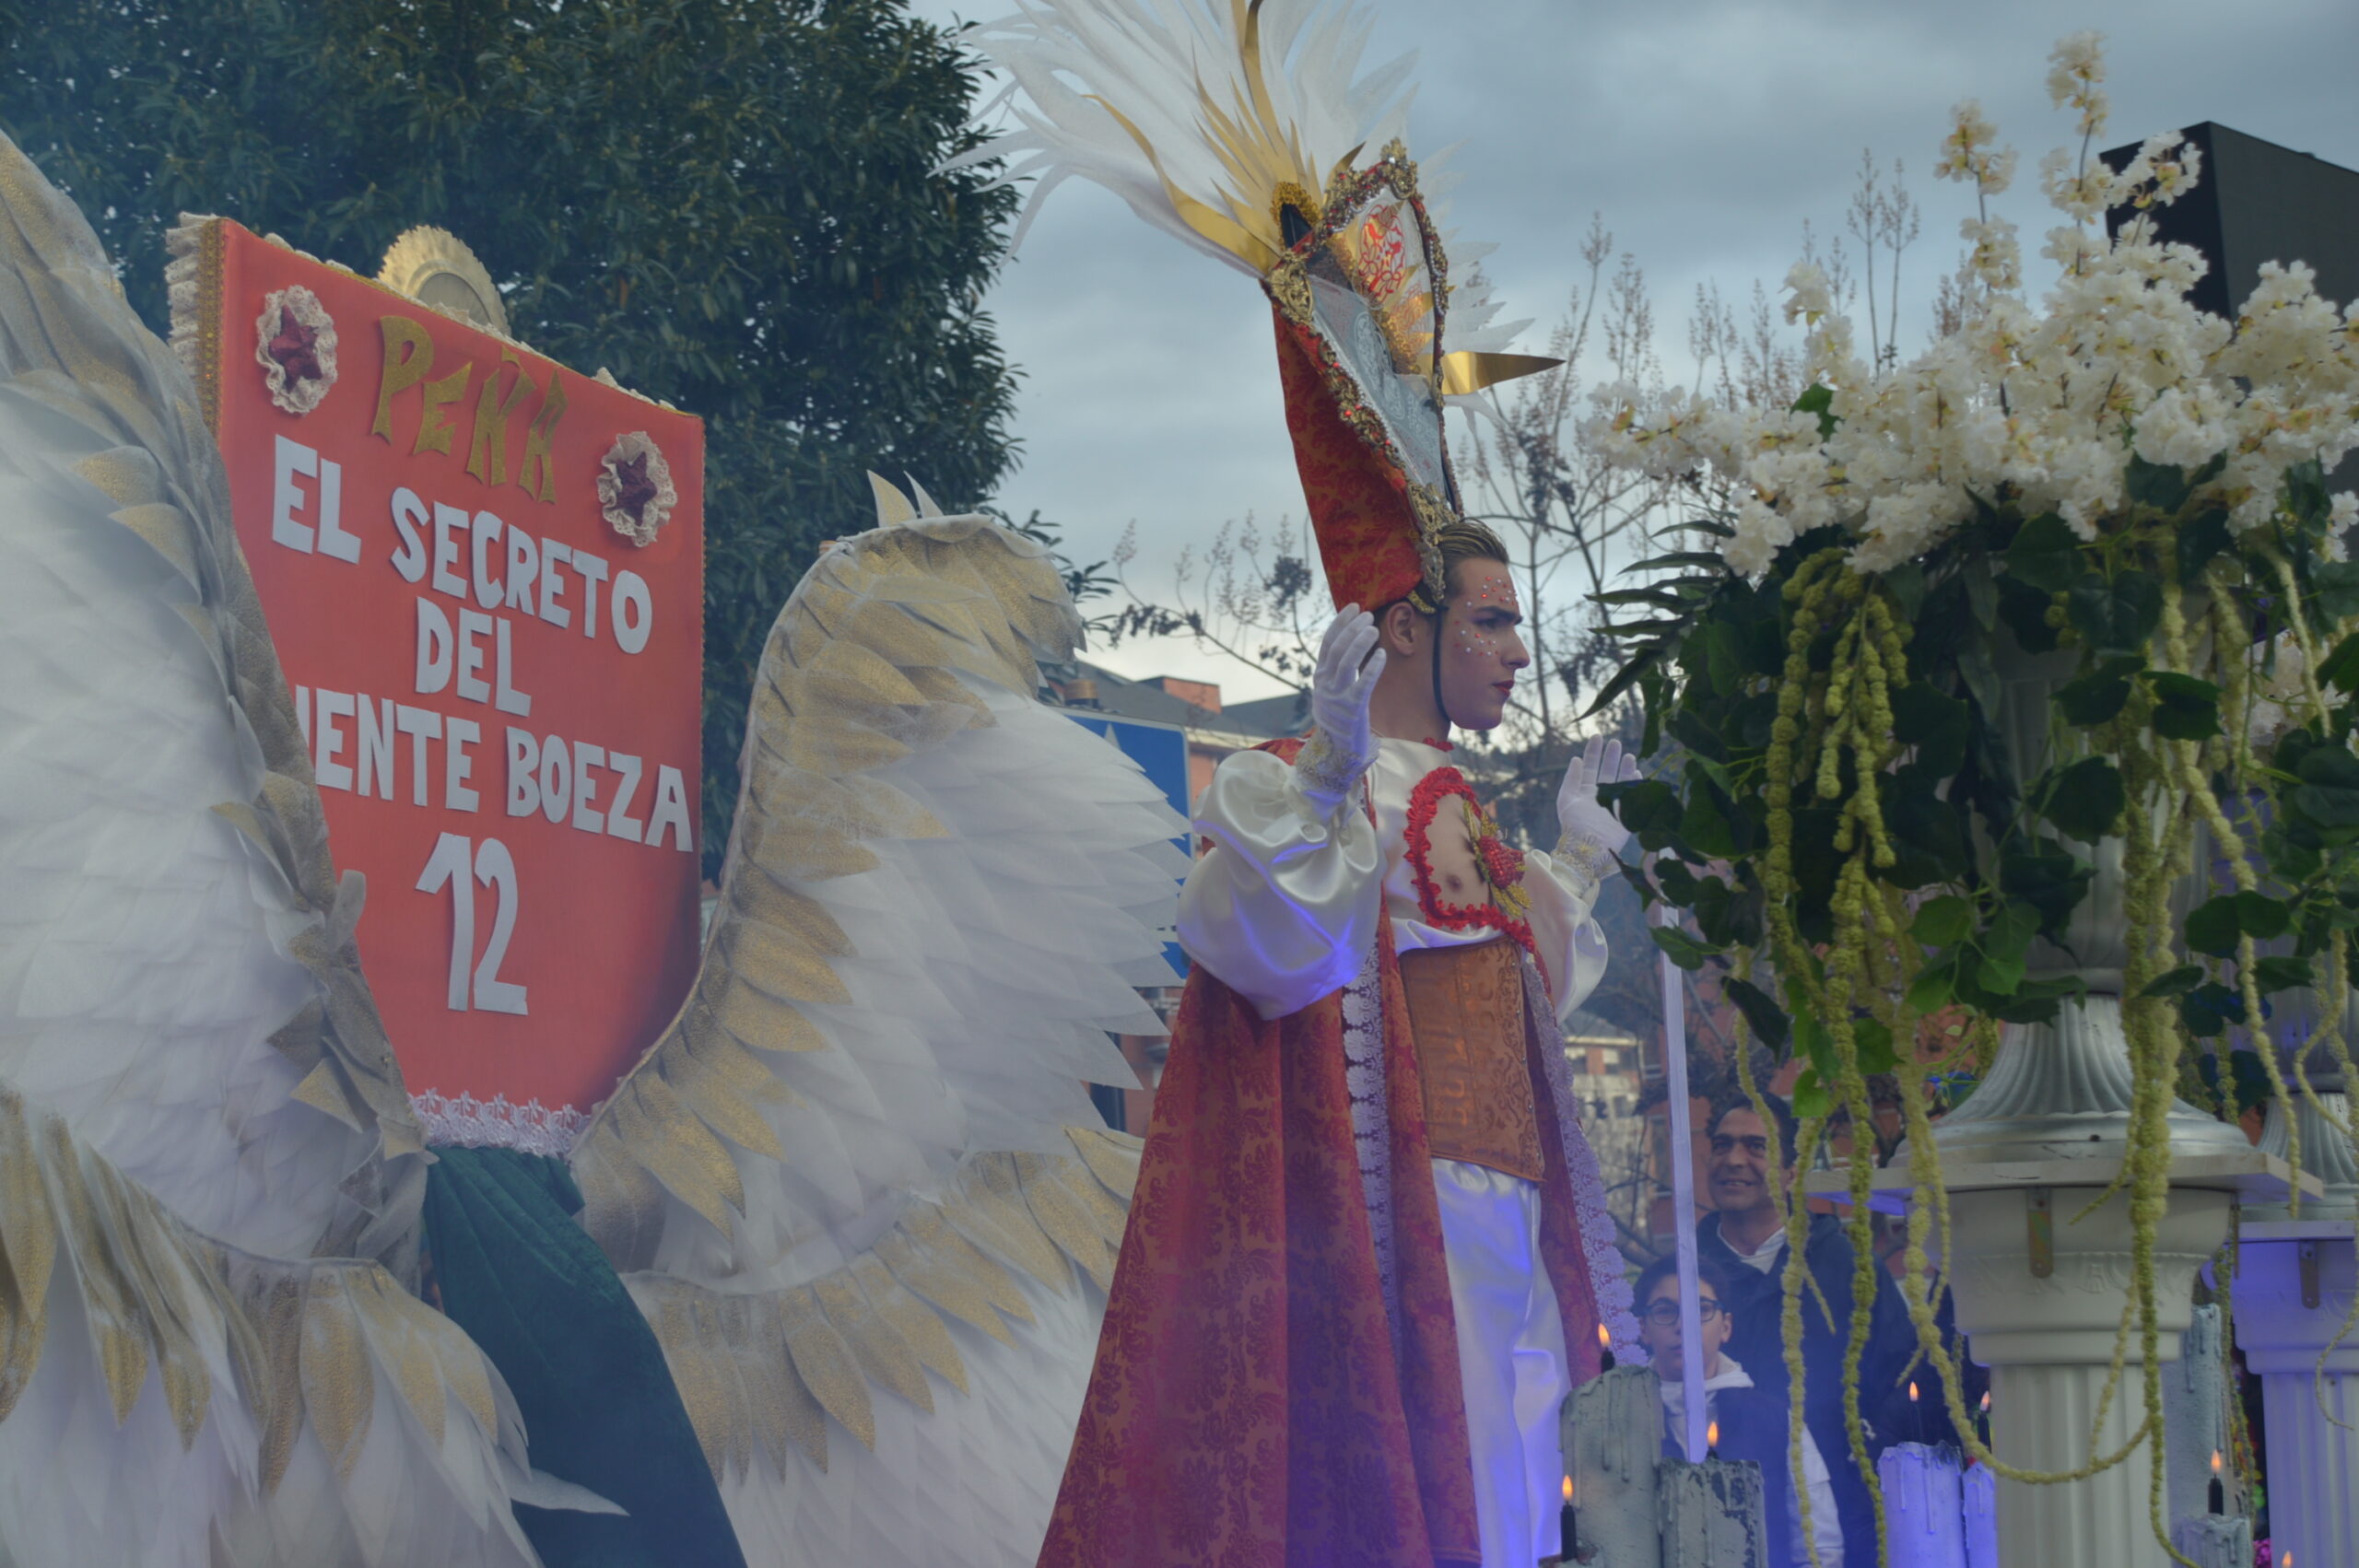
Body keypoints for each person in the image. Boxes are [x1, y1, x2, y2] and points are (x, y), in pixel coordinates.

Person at [1696, 1090, 1929, 1561]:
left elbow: (1898, 1384)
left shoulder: (1846, 1265)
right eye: (1722, 1145)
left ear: (1791, 1171)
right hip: (1711, 1511)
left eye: (1756, 1147)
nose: (1733, 1160)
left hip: (1842, 1514)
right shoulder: (1685, 1275)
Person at [1635, 1253, 1839, 1568]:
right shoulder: (1623, 1420)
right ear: (1644, 1329)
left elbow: (1818, 1545)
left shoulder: (1775, 1420)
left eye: (1701, 1309)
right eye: (1665, 1311)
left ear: (1726, 1326)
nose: (1683, 1325)